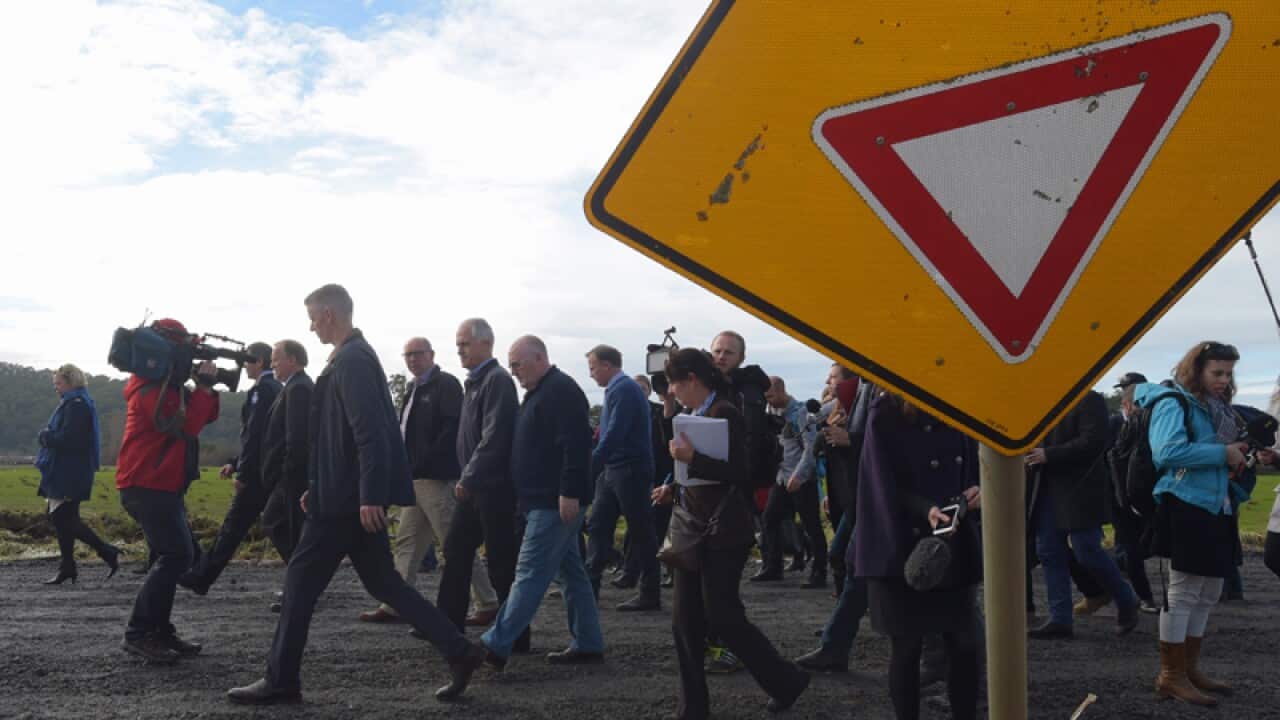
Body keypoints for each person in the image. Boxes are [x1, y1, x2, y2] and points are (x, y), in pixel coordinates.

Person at [227, 284, 485, 705]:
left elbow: (370, 432)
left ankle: (281, 680)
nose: (311, 327)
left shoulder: (353, 361)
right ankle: (460, 651)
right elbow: (338, 437)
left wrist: (369, 495)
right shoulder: (350, 358)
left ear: (329, 314)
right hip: (342, 496)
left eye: (313, 318)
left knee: (298, 586)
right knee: (386, 583)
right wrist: (318, 485)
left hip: (345, 504)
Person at [651, 348, 810, 719]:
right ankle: (692, 709)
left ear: (692, 379)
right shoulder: (694, 414)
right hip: (696, 526)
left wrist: (692, 460)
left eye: (674, 383)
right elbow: (689, 470)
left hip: (724, 531)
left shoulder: (725, 412)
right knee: (685, 621)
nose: (671, 391)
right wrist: (673, 484)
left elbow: (739, 471)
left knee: (723, 616)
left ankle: (785, 680)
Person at [478, 335, 604, 668]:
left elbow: (577, 445)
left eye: (517, 364)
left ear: (538, 358)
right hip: (545, 501)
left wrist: (570, 492)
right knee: (571, 574)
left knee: (530, 573)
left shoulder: (561, 390)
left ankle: (494, 646)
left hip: (553, 502)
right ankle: (588, 642)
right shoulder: (540, 392)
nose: (514, 371)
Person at [854, 394, 982, 720]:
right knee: (907, 647)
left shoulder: (959, 403)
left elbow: (975, 462)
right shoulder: (885, 411)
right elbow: (879, 483)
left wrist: (977, 488)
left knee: (965, 645)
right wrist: (925, 508)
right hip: (901, 546)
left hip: (951, 544)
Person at [358, 336, 500, 627]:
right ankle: (396, 603)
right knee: (408, 542)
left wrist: (422, 462)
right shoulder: (412, 388)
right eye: (408, 355)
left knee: (454, 543)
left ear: (431, 355)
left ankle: (488, 602)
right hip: (415, 479)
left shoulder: (445, 385)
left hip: (437, 479)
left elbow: (451, 430)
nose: (412, 359)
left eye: (418, 354)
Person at [1138, 341, 1247, 706]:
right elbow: (1166, 451)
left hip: (1217, 505)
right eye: (1217, 372)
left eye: (1228, 373)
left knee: (1209, 591)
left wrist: (1235, 457)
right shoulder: (1173, 402)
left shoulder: (1212, 407)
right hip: (1187, 504)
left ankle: (1188, 669)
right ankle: (1171, 676)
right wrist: (1222, 453)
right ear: (1196, 370)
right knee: (1184, 592)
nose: (1224, 380)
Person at [115, 318, 221, 663]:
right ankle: (139, 632)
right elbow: (187, 426)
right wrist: (202, 388)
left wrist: (206, 388)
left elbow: (206, 416)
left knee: (175, 555)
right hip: (148, 483)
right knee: (176, 555)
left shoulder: (163, 386)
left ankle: (158, 630)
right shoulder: (152, 390)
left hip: (158, 483)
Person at [436, 318, 524, 650]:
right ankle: (446, 626)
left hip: (493, 488)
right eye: (458, 344)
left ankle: (516, 634)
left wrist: (469, 476)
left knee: (501, 561)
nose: (459, 350)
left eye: (464, 344)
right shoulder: (476, 382)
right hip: (474, 487)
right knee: (456, 551)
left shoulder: (497, 380)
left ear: (486, 343)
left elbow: (495, 436)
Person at [1025, 390, 1140, 639]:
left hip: (1081, 488)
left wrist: (1048, 454)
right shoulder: (1040, 400)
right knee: (1048, 551)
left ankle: (1126, 598)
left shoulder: (1089, 399)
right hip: (1047, 486)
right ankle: (1060, 619)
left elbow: (1094, 442)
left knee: (1086, 550)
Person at [180, 342, 281, 595]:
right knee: (277, 528)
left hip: (257, 475)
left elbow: (255, 435)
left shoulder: (262, 390)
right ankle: (202, 576)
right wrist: (236, 462)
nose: (244, 367)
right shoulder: (276, 388)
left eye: (247, 361)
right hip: (268, 470)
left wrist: (243, 471)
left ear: (259, 362)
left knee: (234, 528)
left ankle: (202, 577)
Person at [584, 344, 661, 611]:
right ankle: (589, 588)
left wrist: (590, 466)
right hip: (616, 469)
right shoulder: (619, 389)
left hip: (628, 469)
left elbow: (614, 434)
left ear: (607, 365)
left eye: (593, 368)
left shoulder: (624, 390)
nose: (591, 374)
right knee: (598, 525)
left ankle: (650, 593)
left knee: (640, 530)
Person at [35, 363, 120, 585]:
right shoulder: (76, 403)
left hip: (69, 470)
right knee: (64, 519)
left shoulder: (76, 406)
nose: (56, 387)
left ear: (71, 382)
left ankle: (105, 551)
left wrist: (46, 437)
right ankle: (68, 566)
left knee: (63, 518)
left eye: (59, 383)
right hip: (70, 468)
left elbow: (71, 439)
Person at [756, 376, 827, 588]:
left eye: (770, 396)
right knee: (769, 519)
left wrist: (800, 475)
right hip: (782, 478)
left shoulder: (801, 413)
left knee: (811, 525)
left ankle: (819, 572)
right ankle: (773, 566)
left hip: (801, 479)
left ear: (780, 391)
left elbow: (811, 447)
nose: (767, 401)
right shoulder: (771, 412)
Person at [259, 340, 313, 569]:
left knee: (278, 523)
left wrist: (286, 473)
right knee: (285, 526)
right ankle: (301, 577)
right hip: (289, 475)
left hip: (292, 476)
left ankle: (302, 577)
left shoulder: (298, 388)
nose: (272, 364)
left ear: (292, 360)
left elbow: (297, 437)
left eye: (276, 359)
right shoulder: (292, 387)